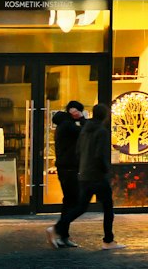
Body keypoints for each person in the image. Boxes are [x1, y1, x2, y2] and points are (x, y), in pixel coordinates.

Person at [49, 103, 123, 250]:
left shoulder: (83, 130)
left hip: (84, 174)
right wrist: (107, 171)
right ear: (105, 116)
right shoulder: (101, 131)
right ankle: (108, 240)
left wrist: (83, 166)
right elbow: (100, 155)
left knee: (81, 206)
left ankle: (58, 228)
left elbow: (78, 151)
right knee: (107, 207)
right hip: (97, 175)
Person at [47, 99, 85, 249]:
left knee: (69, 202)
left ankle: (63, 235)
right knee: (75, 202)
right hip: (69, 168)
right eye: (79, 111)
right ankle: (58, 230)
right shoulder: (68, 125)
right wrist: (81, 119)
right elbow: (85, 131)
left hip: (67, 168)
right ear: (74, 111)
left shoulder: (64, 124)